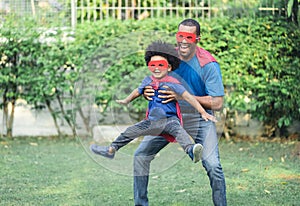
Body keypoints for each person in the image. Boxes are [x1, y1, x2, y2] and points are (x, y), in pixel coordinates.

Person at [134, 19, 227, 206]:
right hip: (167, 117)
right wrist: (147, 92)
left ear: (197, 39)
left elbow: (217, 103)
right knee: (140, 155)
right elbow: (153, 82)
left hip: (199, 118)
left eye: (189, 37)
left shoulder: (207, 64)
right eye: (180, 36)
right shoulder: (167, 58)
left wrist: (183, 97)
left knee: (213, 165)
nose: (183, 41)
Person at [90, 41, 217, 164]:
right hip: (151, 121)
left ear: (169, 67)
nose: (156, 69)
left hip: (170, 121)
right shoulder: (147, 81)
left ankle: (191, 150)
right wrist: (126, 100)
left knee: (180, 133)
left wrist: (202, 112)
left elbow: (189, 97)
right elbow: (137, 91)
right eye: (153, 65)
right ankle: (111, 150)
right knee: (130, 131)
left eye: (160, 65)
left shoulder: (173, 82)